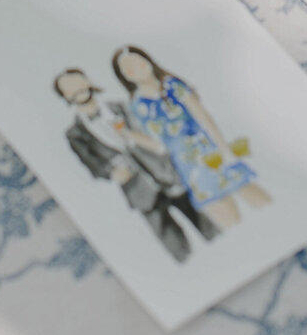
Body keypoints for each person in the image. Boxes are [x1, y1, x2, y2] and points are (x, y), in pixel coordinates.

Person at [53, 67, 218, 262]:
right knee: (171, 240)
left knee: (206, 222)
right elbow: (93, 165)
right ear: (64, 95)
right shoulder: (75, 134)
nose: (77, 90)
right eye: (69, 88)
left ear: (88, 81)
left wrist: (133, 136)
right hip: (138, 190)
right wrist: (112, 172)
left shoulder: (120, 106)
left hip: (166, 174)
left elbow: (153, 136)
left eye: (78, 82)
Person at [111, 46, 271, 231]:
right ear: (124, 76)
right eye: (128, 68)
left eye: (139, 61)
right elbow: (160, 145)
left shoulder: (171, 85)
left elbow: (203, 117)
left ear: (148, 61)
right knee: (232, 223)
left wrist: (225, 150)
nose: (136, 68)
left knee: (255, 197)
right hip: (189, 170)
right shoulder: (138, 105)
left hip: (211, 153)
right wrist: (127, 135)